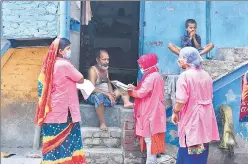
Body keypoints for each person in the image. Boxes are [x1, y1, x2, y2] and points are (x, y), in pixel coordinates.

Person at [35, 38, 87, 164]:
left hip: (50, 111)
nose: (70, 51)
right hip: (64, 112)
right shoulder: (64, 64)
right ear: (60, 51)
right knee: (68, 144)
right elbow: (80, 79)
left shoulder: (47, 64)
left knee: (52, 146)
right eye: (68, 49)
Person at [172, 47, 220, 164]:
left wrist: (175, 112)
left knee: (192, 153)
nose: (179, 60)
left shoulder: (185, 76)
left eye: (181, 58)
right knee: (200, 152)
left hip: (193, 121)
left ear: (186, 59)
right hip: (205, 120)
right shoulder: (206, 75)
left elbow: (181, 100)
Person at [127, 53, 166, 164]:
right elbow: (146, 90)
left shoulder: (151, 76)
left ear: (148, 64)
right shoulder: (155, 75)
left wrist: (130, 91)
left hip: (150, 111)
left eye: (142, 65)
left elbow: (141, 93)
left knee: (150, 140)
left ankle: (151, 162)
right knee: (152, 139)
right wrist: (134, 88)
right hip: (155, 109)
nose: (141, 68)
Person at [87, 49, 133, 131]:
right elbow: (91, 88)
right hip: (95, 95)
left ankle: (126, 102)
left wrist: (111, 93)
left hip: (106, 95)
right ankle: (102, 123)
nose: (106, 61)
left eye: (108, 59)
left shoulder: (105, 69)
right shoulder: (93, 70)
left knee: (123, 88)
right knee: (99, 96)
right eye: (104, 59)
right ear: (97, 59)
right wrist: (107, 94)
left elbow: (108, 83)